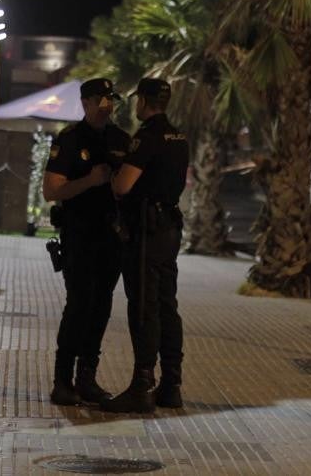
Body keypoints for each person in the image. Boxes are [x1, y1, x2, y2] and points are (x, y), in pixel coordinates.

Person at [101, 78, 190, 414]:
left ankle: (141, 386)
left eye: (139, 100)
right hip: (169, 228)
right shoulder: (179, 137)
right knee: (168, 306)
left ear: (145, 102)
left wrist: (109, 178)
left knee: (144, 307)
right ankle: (172, 385)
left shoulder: (147, 136)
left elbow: (124, 185)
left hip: (147, 233)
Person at [41, 78, 131, 406]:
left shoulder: (121, 139)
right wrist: (90, 181)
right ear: (86, 103)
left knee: (102, 305)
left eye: (111, 99)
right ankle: (62, 381)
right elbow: (51, 190)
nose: (107, 106)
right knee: (79, 304)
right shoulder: (69, 140)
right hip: (79, 234)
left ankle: (87, 378)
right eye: (101, 100)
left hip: (111, 236)